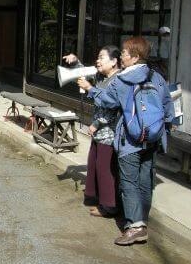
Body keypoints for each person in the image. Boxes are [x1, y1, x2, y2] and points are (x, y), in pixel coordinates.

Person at [78, 37, 174, 246]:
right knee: (145, 181)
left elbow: (106, 100)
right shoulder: (156, 77)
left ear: (135, 56)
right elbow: (168, 104)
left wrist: (90, 90)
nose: (121, 56)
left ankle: (135, 226)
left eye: (124, 53)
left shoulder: (123, 80)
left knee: (129, 182)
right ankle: (142, 221)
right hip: (152, 138)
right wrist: (165, 127)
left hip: (130, 139)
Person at [63, 46, 121, 218]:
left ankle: (109, 206)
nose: (98, 60)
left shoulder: (117, 80)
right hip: (99, 132)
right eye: (98, 57)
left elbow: (113, 107)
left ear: (114, 61)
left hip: (109, 133)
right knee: (94, 164)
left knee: (105, 169)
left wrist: (97, 123)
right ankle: (96, 197)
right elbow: (86, 73)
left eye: (102, 57)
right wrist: (75, 62)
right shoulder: (103, 77)